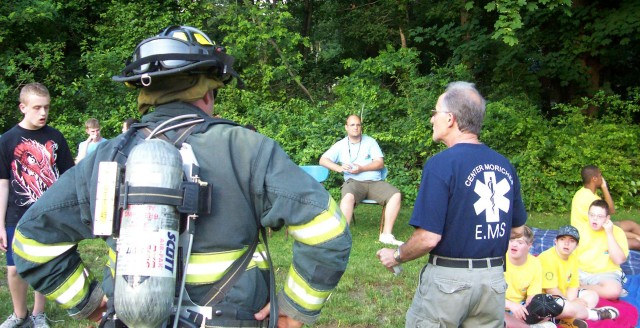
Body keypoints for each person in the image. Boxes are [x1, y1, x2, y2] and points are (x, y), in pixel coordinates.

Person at [12, 25, 351, 328]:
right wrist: (295, 308)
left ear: (145, 96)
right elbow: (329, 232)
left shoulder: (106, 155)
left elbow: (31, 241)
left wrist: (87, 302)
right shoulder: (247, 149)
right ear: (207, 91)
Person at [376, 81, 528, 327]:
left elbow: (428, 238)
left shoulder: (441, 164)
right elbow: (517, 230)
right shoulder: (504, 165)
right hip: (494, 282)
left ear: (450, 119)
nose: (431, 120)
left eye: (434, 113)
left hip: (449, 283)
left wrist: (397, 255)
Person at [0, 82, 74, 328]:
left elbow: (68, 179)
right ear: (23, 107)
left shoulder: (56, 138)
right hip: (16, 217)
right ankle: (20, 315)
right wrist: (0, 224)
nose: (43, 113)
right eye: (37, 107)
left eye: (47, 107)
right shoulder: (6, 140)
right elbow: (3, 185)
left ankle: (39, 313)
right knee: (14, 269)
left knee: (44, 264)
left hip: (47, 217)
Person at [320, 114, 403, 246]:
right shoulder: (340, 145)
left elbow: (380, 163)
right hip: (353, 183)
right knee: (347, 197)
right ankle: (342, 235)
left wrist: (362, 168)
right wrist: (339, 168)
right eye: (352, 125)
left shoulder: (370, 142)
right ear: (346, 127)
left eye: (358, 125)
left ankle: (386, 234)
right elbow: (323, 160)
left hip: (375, 182)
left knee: (396, 194)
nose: (356, 128)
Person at [538, 225, 619, 325]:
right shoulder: (546, 258)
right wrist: (570, 303)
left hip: (565, 295)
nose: (566, 243)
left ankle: (565, 317)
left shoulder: (573, 258)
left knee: (592, 295)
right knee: (559, 306)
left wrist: (572, 301)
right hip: (547, 297)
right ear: (556, 241)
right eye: (563, 239)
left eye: (571, 241)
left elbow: (573, 285)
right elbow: (551, 290)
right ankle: (592, 314)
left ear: (577, 246)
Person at [570, 164, 640, 250]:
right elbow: (611, 210)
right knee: (636, 242)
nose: (602, 178)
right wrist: (604, 187)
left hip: (598, 226)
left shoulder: (586, 192)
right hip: (590, 236)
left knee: (631, 224)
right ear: (594, 179)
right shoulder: (588, 198)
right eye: (600, 175)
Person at [504, 226, 556, 328]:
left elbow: (533, 296)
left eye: (520, 242)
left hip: (521, 306)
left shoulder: (535, 263)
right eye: (512, 240)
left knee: (550, 305)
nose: (514, 244)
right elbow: (487, 296)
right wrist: (510, 305)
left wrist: (527, 310)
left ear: (529, 246)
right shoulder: (498, 259)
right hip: (500, 305)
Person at [576, 200, 628, 300]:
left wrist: (609, 233)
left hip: (605, 273)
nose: (594, 219)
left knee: (613, 291)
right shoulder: (580, 229)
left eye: (599, 216)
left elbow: (619, 260)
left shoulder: (617, 232)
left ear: (607, 218)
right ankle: (581, 288)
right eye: (592, 215)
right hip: (580, 271)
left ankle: (578, 288)